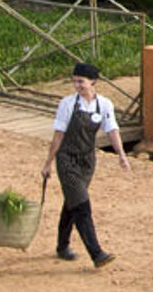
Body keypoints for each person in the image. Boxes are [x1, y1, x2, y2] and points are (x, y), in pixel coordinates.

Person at [41, 61, 130, 268]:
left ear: (93, 82)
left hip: (87, 161)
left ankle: (62, 246)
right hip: (67, 160)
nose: (77, 85)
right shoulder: (67, 104)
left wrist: (121, 155)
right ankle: (97, 253)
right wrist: (48, 163)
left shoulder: (104, 105)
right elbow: (58, 135)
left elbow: (112, 130)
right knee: (82, 205)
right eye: (75, 81)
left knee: (72, 203)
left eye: (81, 81)